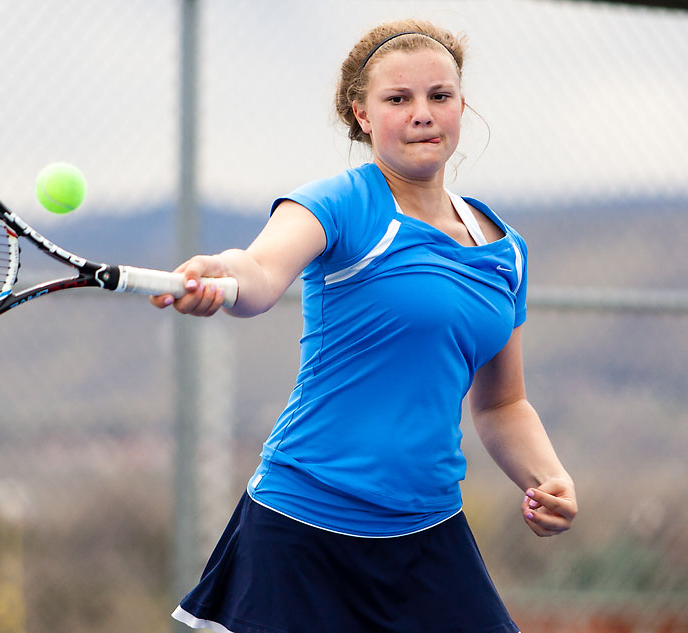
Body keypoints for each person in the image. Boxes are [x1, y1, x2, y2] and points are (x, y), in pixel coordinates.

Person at [152, 18, 577, 633]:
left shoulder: (505, 251)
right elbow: (262, 273)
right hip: (303, 527)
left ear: (462, 107)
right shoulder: (340, 203)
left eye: (440, 96)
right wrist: (223, 275)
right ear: (362, 115)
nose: (422, 113)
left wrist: (549, 477)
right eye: (398, 99)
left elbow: (503, 404)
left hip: (429, 532)